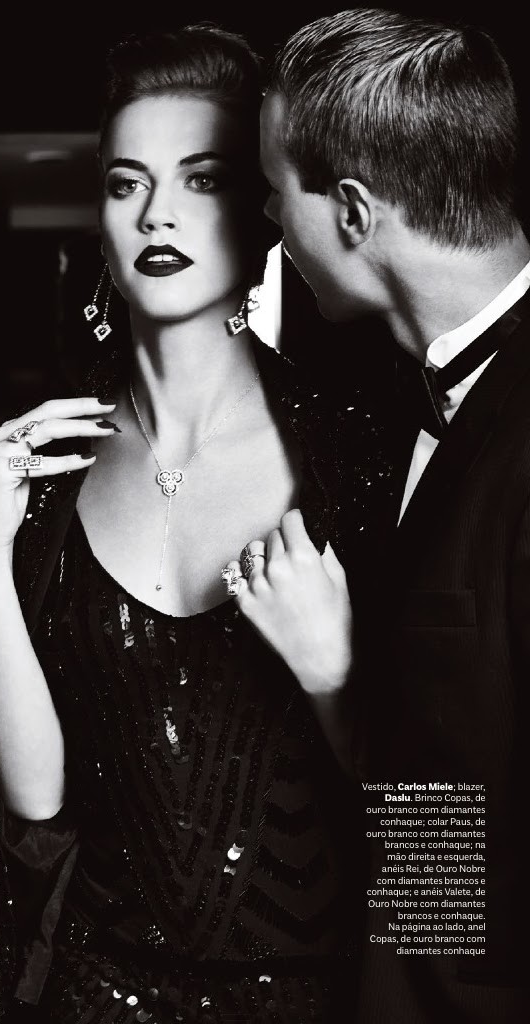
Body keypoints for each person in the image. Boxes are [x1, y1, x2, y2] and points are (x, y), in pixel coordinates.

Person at [0, 25, 391, 1024]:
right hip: (91, 996)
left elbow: (450, 810)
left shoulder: (357, 457)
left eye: (202, 179)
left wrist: (338, 685)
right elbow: (36, 804)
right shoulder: (49, 469)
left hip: (310, 1001)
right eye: (127, 183)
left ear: (263, 211)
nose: (157, 212)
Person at [258, 8, 530, 1022]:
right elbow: (456, 796)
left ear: (353, 213)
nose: (267, 220)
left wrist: (340, 686)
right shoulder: (403, 402)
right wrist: (341, 685)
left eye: (275, 191)